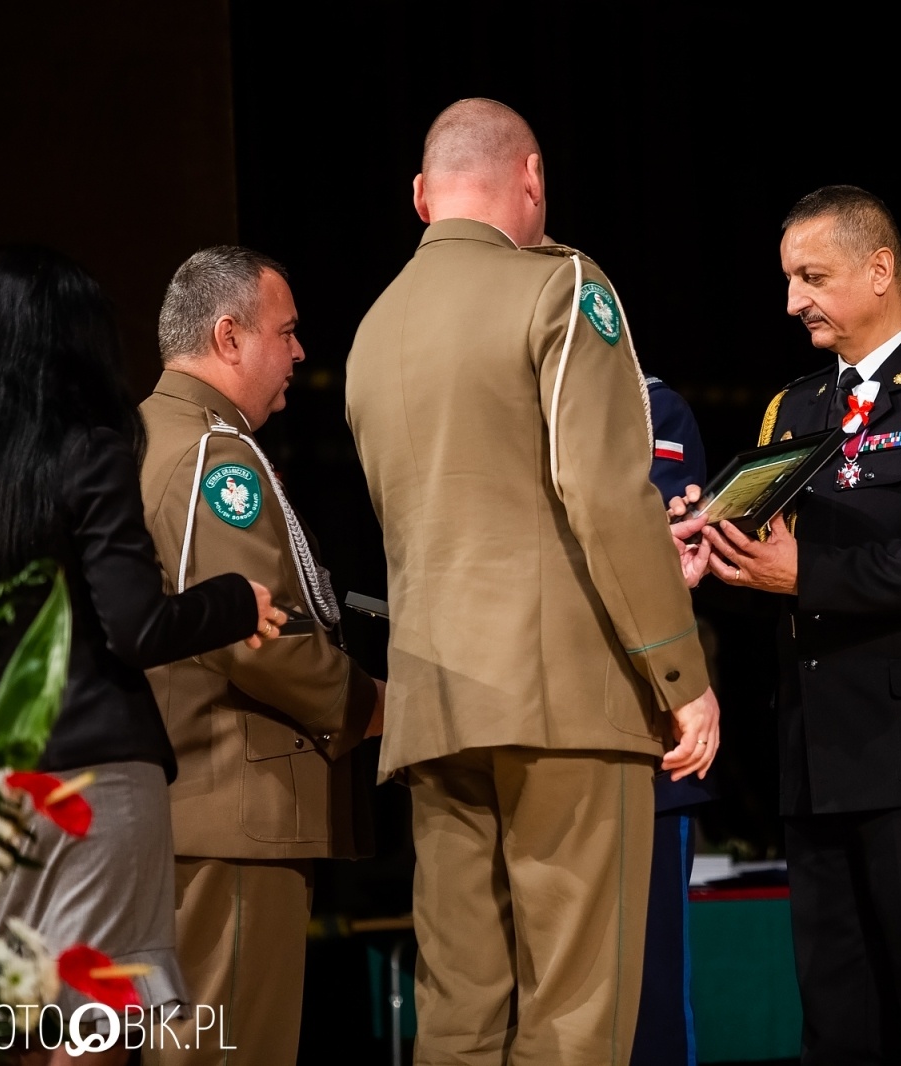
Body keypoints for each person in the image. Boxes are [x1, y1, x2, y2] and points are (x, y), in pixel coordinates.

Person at [345, 98, 720, 1064]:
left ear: (424, 196)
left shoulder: (371, 329)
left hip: (435, 707)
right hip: (563, 708)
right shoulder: (561, 288)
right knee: (574, 1014)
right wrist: (681, 677)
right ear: (534, 176)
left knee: (461, 1011)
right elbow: (606, 495)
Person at [700, 185, 901, 1065]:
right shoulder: (794, 407)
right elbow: (769, 574)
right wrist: (711, 558)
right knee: (838, 1026)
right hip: (818, 760)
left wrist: (806, 573)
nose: (792, 299)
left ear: (879, 270)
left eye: (812, 276)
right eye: (789, 278)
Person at [0, 246, 285, 1066]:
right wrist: (233, 601)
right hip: (95, 778)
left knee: (12, 1032)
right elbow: (135, 627)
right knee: (94, 1033)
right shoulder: (91, 450)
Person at [136, 246, 385, 1066]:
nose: (300, 353)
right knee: (228, 1050)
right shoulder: (215, 455)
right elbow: (255, 639)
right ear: (228, 336)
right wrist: (371, 703)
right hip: (232, 812)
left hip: (176, 803)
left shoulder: (138, 433)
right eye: (287, 331)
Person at [633, 373, 714, 1066]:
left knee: (650, 998)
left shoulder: (650, 405)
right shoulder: (488, 403)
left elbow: (675, 541)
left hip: (645, 743)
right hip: (529, 739)